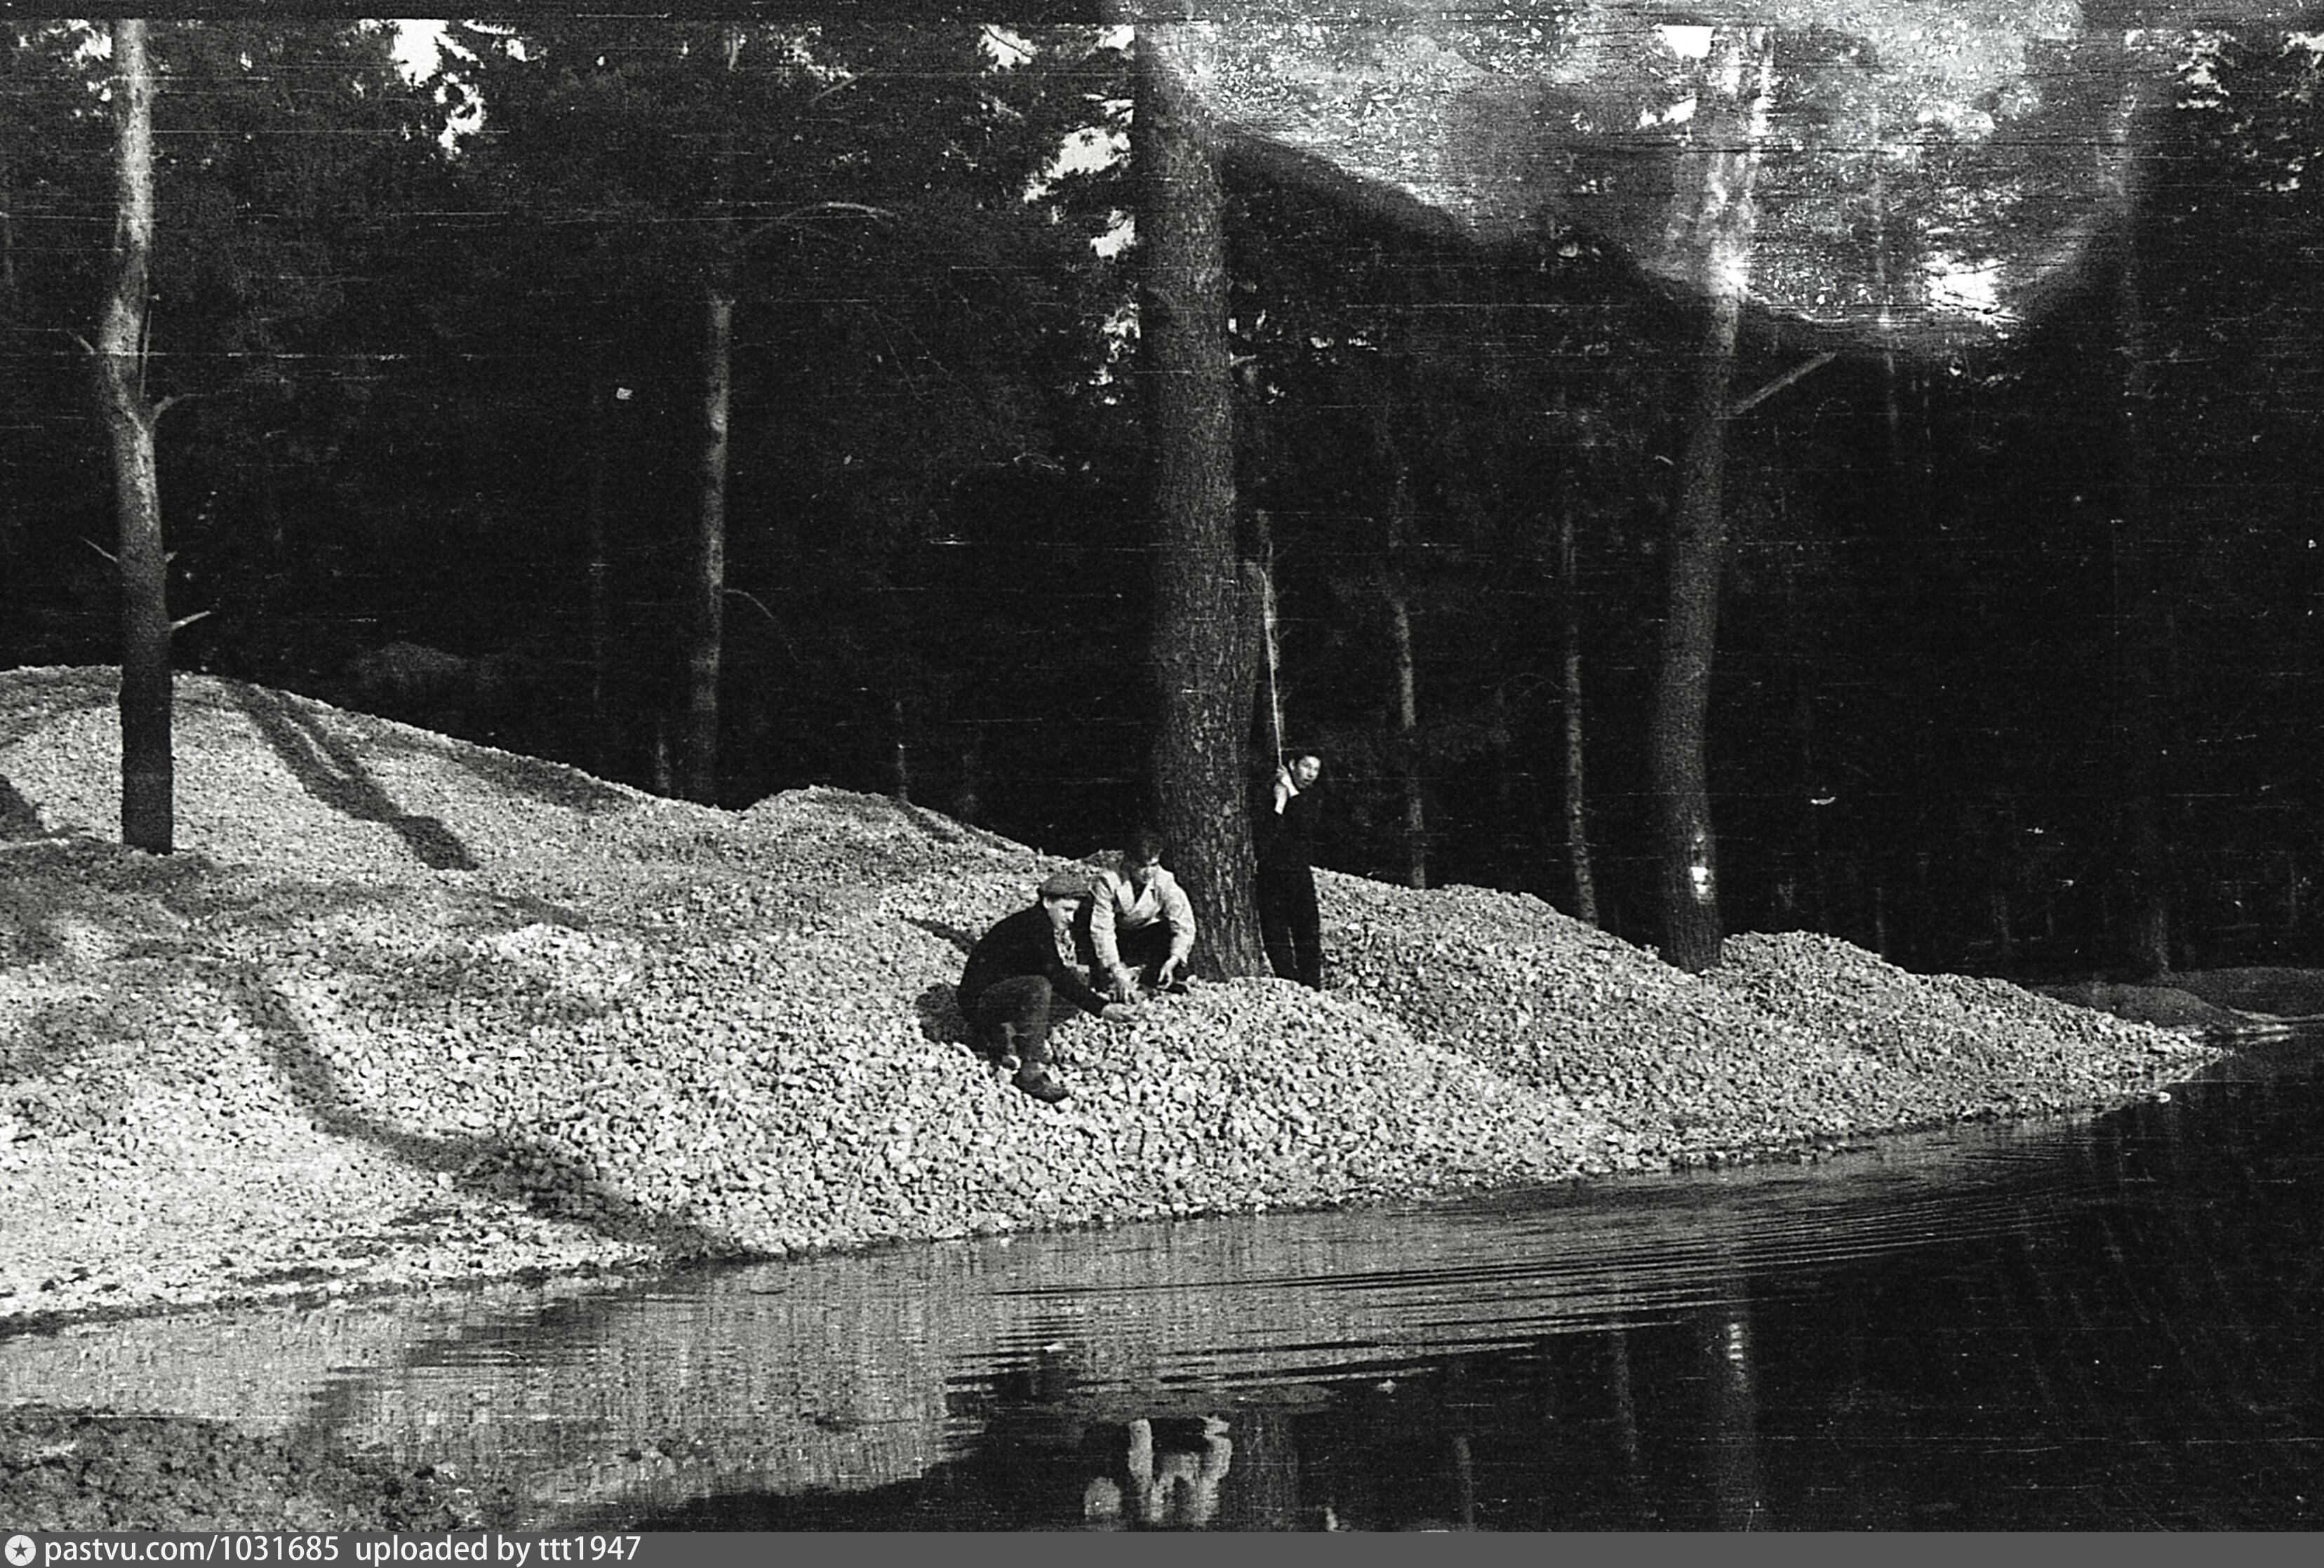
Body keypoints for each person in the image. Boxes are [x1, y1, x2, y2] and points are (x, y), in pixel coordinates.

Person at [957, 869, 1135, 1103]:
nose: (1071, 918)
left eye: (1074, 912)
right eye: (1067, 910)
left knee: (1060, 984)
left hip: (993, 996)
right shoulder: (1033, 926)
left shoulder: (1035, 921)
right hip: (979, 1003)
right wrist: (1102, 1008)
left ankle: (1002, 1036)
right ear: (1048, 902)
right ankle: (1030, 1072)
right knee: (1039, 986)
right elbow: (1055, 973)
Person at [1087, 827, 1198, 1003]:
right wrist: (1115, 967)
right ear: (1128, 862)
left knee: (1168, 962)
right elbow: (1102, 928)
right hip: (1119, 934)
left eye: (1153, 865)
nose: (1148, 872)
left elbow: (1183, 924)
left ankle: (1157, 975)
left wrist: (1173, 959)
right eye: (1141, 866)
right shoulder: (1109, 881)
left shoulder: (1165, 881)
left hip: (1147, 935)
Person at [1255, 752, 1325, 989]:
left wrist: (1290, 792)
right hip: (1271, 872)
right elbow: (1265, 835)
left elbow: (1304, 824)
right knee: (1275, 930)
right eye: (1306, 766)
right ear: (1292, 765)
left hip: (1298, 872)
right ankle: (1287, 981)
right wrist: (1280, 803)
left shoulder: (1314, 797)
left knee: (1307, 930)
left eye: (1316, 769)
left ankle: (1311, 984)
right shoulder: (1270, 792)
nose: (1311, 774)